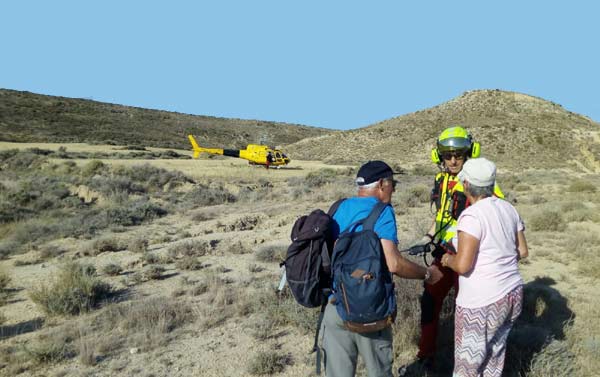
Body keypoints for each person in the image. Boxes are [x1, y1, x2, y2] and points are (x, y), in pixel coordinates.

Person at [320, 160, 443, 377]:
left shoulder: (338, 207)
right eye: (392, 184)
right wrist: (427, 274)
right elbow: (394, 263)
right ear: (381, 184)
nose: (393, 189)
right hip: (370, 311)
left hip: (335, 304)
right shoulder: (383, 212)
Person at [402, 126, 504, 373]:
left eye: (459, 154)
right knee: (429, 301)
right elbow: (441, 215)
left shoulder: (478, 183)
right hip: (444, 254)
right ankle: (426, 355)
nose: (453, 160)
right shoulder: (441, 180)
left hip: (469, 259)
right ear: (439, 157)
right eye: (447, 155)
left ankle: (467, 363)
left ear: (470, 153)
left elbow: (498, 211)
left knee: (466, 311)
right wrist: (427, 237)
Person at [441, 157, 528, 376]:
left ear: (466, 185)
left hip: (481, 302)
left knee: (467, 365)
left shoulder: (471, 215)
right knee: (493, 359)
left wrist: (447, 260)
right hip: (512, 293)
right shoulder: (509, 209)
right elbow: (523, 251)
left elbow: (462, 265)